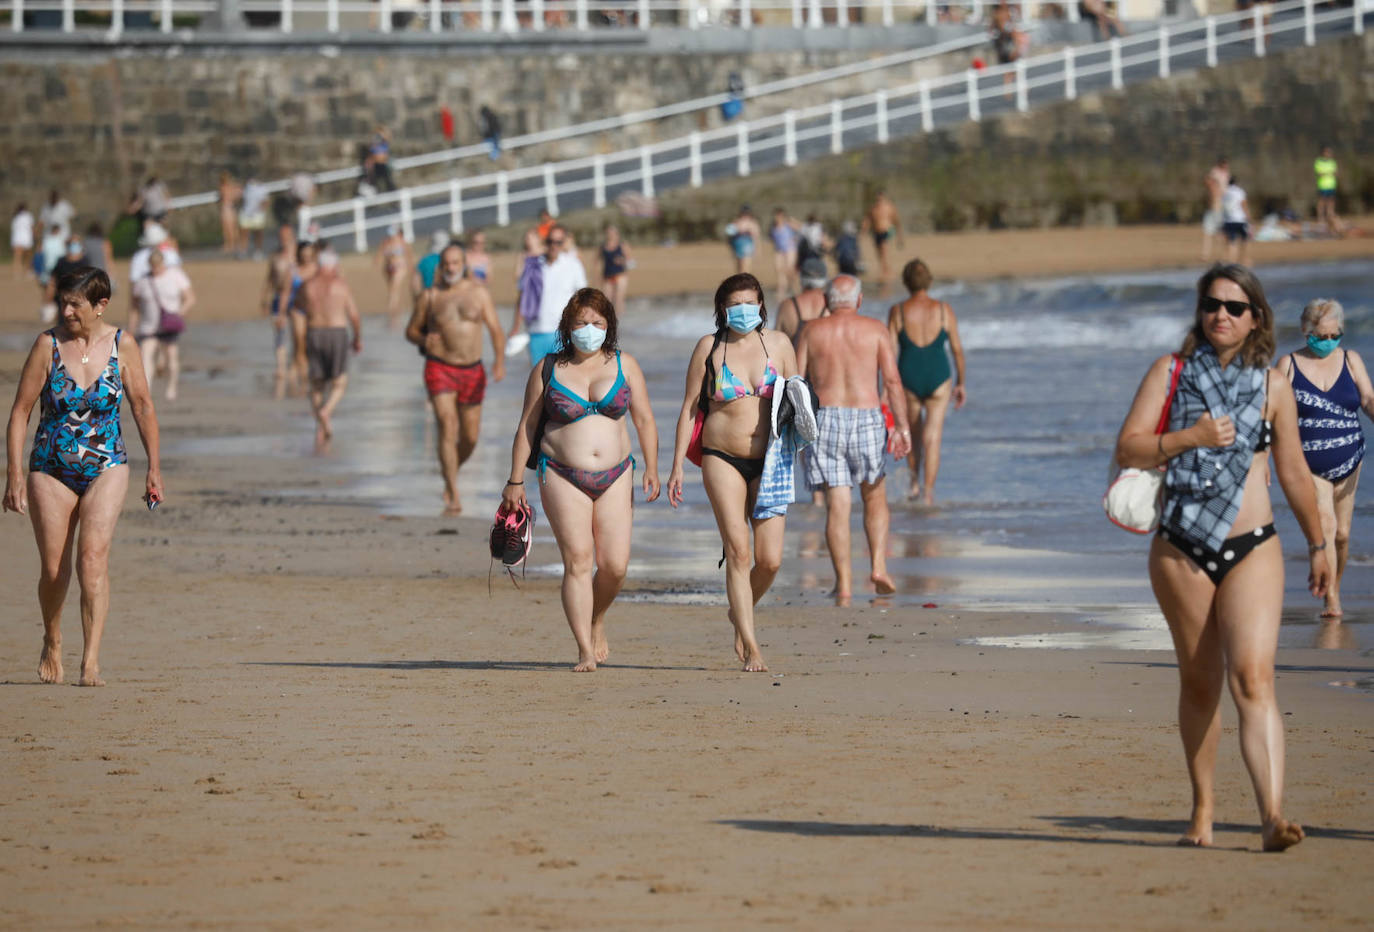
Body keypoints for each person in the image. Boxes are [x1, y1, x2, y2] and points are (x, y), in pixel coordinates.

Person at [1114, 263, 1328, 852]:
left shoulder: (1273, 387)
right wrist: (1192, 437)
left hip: (1253, 546)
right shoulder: (1170, 371)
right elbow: (1128, 446)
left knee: (1254, 678)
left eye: (1235, 307)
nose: (1222, 315)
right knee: (1201, 682)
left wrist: (1319, 544)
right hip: (1180, 547)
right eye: (1212, 304)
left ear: (1256, 316)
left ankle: (1271, 818)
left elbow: (1293, 471)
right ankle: (1203, 811)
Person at [4, 267, 163, 687]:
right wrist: (14, 474)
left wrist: (154, 469)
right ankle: (53, 638)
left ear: (101, 305)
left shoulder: (123, 345)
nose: (67, 310)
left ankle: (90, 658)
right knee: (55, 571)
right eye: (64, 302)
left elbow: (143, 406)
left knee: (92, 559)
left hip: (107, 464)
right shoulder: (47, 345)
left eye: (75, 303)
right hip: (50, 469)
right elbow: (20, 411)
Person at [503, 288, 660, 672]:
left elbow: (644, 419)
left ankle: (596, 617)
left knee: (615, 567)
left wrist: (653, 468)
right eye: (581, 323)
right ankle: (584, 651)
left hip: (617, 474)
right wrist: (514, 482)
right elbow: (526, 426)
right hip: (560, 474)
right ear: (567, 327)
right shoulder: (548, 367)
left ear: (609, 326)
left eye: (597, 323)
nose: (589, 330)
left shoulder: (626, 365)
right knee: (577, 560)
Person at [667, 273, 799, 672]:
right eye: (734, 303)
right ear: (721, 309)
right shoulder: (709, 347)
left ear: (761, 304)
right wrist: (675, 466)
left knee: (770, 560)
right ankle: (752, 644)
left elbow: (799, 397)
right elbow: (690, 406)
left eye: (750, 301)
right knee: (739, 551)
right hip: (720, 456)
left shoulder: (778, 344)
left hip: (771, 458)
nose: (743, 310)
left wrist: (804, 447)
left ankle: (737, 613)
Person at [796, 275, 911, 603]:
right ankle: (878, 567)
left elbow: (795, 380)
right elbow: (891, 380)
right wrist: (901, 426)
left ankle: (844, 584)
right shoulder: (875, 330)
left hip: (825, 417)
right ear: (859, 301)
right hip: (866, 417)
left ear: (826, 302)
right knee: (874, 495)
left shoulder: (812, 331)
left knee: (838, 504)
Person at [1281, 298, 1373, 619]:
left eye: (1335, 335)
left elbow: (1368, 398)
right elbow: (1270, 413)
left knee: (1344, 534)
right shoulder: (1288, 365)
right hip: (1308, 462)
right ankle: (1332, 598)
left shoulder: (1350, 360)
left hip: (1350, 457)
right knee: (1327, 525)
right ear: (1306, 332)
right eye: (1320, 336)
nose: (1328, 342)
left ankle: (1335, 582)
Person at [405, 243, 506, 515]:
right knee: (447, 426)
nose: (450, 268)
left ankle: (451, 471)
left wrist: (498, 361)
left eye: (455, 263)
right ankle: (453, 494)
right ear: (441, 266)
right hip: (439, 367)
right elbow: (411, 330)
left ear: (464, 265)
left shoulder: (479, 294)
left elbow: (496, 330)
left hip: (472, 370)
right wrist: (423, 338)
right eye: (446, 264)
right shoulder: (430, 296)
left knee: (470, 437)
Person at [888, 259, 967, 503]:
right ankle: (929, 493)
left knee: (912, 434)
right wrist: (961, 382)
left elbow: (888, 353)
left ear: (906, 282)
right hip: (939, 377)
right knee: (933, 437)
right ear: (929, 281)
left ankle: (913, 486)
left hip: (908, 378)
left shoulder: (898, 311)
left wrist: (885, 388)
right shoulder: (944, 310)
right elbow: (956, 349)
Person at [297, 248, 362, 451]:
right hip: (336, 333)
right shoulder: (340, 285)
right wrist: (357, 338)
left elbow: (300, 308)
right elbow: (354, 315)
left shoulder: (308, 285)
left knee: (316, 383)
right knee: (340, 382)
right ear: (334, 265)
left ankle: (320, 424)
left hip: (314, 332)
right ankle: (327, 410)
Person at [130, 250, 194, 403]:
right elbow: (135, 306)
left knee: (171, 357)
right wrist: (132, 327)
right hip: (148, 327)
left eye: (158, 265)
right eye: (153, 266)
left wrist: (178, 314)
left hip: (168, 325)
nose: (156, 269)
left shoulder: (176, 275)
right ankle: (148, 391)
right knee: (146, 357)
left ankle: (171, 387)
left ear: (163, 263)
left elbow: (190, 298)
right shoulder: (143, 281)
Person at [523, 225, 587, 365]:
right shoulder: (534, 264)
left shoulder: (573, 264)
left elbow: (583, 298)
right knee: (539, 381)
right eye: (550, 241)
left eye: (558, 242)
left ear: (564, 243)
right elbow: (523, 296)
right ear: (545, 242)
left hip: (564, 331)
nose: (554, 246)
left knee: (564, 380)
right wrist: (515, 328)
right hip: (536, 330)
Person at [260, 231, 302, 399]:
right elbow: (269, 279)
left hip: (298, 299)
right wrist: (264, 298)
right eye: (281, 237)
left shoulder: (299, 256)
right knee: (279, 333)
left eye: (287, 237)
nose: (284, 240)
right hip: (278, 298)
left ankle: (295, 366)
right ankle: (281, 367)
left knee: (299, 335)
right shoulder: (276, 258)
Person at [774, 257, 829, 346]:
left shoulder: (787, 306)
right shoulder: (830, 306)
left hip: (794, 359)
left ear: (801, 278)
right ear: (824, 280)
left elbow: (776, 344)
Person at [861, 191, 903, 288]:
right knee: (879, 252)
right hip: (876, 232)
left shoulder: (889, 207)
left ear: (884, 198)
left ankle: (886, 271)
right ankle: (886, 269)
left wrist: (899, 235)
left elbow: (896, 220)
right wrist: (863, 231)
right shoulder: (873, 209)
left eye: (880, 199)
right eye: (877, 199)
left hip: (887, 230)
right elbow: (867, 220)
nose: (879, 201)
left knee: (884, 250)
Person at [375, 224, 413, 329]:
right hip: (388, 268)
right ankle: (394, 312)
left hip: (400, 267)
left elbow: (409, 255)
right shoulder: (386, 242)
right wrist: (377, 261)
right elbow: (380, 254)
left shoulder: (403, 243)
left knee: (394, 290)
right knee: (392, 290)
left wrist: (411, 268)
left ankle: (392, 313)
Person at [769, 208, 801, 303]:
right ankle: (781, 289)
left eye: (779, 216)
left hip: (790, 249)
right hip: (779, 250)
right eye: (776, 215)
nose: (777, 218)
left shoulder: (788, 225)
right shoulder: (773, 227)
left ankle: (796, 288)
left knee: (789, 269)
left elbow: (801, 228)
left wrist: (793, 221)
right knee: (778, 269)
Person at [599, 223, 632, 311]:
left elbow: (632, 263)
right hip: (607, 276)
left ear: (617, 234)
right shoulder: (603, 247)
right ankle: (610, 320)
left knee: (618, 300)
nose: (611, 235)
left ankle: (618, 321)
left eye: (613, 233)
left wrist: (622, 261)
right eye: (609, 233)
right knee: (607, 301)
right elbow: (597, 262)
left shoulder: (622, 246)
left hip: (620, 276)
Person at [1202, 156, 1230, 261]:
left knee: (1221, 232)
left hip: (1221, 206)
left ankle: (1224, 253)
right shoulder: (1215, 173)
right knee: (1210, 231)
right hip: (1215, 207)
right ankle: (1206, 254)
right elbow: (1208, 181)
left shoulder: (1226, 174)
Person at [1221, 175, 1251, 266]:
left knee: (1231, 242)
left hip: (1228, 220)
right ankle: (1244, 260)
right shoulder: (1239, 191)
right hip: (1240, 219)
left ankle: (1231, 262)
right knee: (1245, 240)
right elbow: (1243, 204)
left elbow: (1223, 207)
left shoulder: (1225, 193)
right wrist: (1248, 216)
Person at [239, 175, 269, 258]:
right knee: (244, 233)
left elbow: (265, 202)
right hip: (246, 214)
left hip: (257, 215)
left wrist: (260, 211)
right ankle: (243, 251)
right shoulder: (246, 187)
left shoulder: (263, 188)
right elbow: (243, 199)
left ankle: (258, 251)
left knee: (258, 234)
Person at [1314, 146, 1342, 235]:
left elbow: (1336, 172)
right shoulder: (1318, 162)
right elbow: (1319, 173)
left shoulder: (1332, 162)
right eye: (1327, 152)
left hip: (1331, 185)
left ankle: (1330, 215)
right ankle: (1320, 217)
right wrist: (1328, 173)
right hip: (1323, 185)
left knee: (1331, 201)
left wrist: (1330, 173)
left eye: (1330, 152)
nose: (1329, 154)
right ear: (1324, 153)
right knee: (1322, 201)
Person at [725, 205, 760, 275]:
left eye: (747, 214)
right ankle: (740, 284)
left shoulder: (752, 223)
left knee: (746, 267)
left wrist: (757, 249)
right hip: (737, 248)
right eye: (744, 213)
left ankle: (746, 283)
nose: (745, 215)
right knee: (739, 267)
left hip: (748, 248)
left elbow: (756, 237)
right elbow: (729, 235)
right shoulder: (736, 222)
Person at [218, 171, 242, 255]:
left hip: (226, 208)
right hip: (231, 208)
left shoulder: (224, 187)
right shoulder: (232, 187)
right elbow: (238, 194)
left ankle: (230, 245)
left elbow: (223, 197)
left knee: (228, 229)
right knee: (233, 228)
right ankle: (234, 245)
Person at [366, 126, 396, 193]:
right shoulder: (374, 144)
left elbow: (388, 137)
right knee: (376, 183)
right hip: (376, 165)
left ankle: (393, 195)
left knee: (388, 182)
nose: (378, 136)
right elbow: (371, 155)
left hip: (384, 164)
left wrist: (383, 133)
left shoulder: (384, 143)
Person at [11, 203, 35, 281]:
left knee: (17, 257)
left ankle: (16, 273)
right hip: (26, 238)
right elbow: (31, 227)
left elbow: (14, 229)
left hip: (17, 238)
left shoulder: (15, 217)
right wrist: (34, 235)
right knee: (27, 257)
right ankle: (27, 272)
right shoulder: (28, 216)